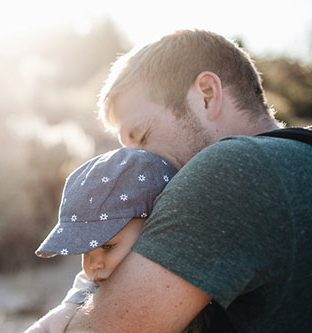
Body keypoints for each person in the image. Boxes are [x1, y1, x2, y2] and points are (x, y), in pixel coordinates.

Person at [61, 29, 312, 332]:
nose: (134, 165)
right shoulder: (298, 155)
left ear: (207, 94)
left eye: (142, 135)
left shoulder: (227, 170)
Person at [24, 147, 177, 332]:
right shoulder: (97, 281)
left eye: (108, 246)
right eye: (86, 251)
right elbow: (70, 302)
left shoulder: (176, 275)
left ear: (153, 225)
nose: (93, 264)